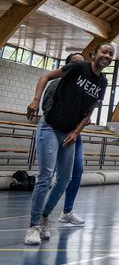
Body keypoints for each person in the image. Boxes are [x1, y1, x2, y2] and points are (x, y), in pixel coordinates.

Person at [24, 42, 114, 245]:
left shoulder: (102, 82)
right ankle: (33, 226)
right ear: (94, 54)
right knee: (45, 176)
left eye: (110, 54)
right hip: (50, 127)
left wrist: (76, 131)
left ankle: (44, 218)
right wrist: (36, 100)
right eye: (104, 52)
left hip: (69, 132)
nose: (107, 56)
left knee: (65, 178)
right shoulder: (78, 67)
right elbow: (45, 76)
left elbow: (89, 111)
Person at [39, 52, 88, 227]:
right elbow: (47, 107)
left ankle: (67, 211)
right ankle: (39, 217)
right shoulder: (56, 83)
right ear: (67, 66)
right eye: (75, 62)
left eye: (82, 63)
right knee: (48, 174)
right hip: (57, 130)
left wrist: (78, 126)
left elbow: (86, 112)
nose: (79, 66)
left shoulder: (84, 87)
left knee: (77, 170)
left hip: (74, 133)